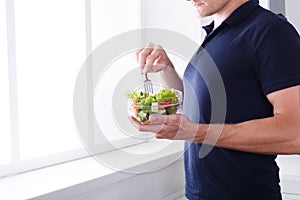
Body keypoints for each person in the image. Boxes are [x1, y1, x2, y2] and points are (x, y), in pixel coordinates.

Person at [131, 0, 300, 199]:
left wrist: (195, 132)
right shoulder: (216, 34)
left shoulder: (271, 31)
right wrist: (166, 69)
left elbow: (294, 134)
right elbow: (198, 112)